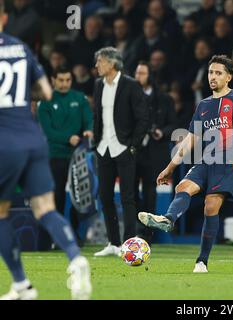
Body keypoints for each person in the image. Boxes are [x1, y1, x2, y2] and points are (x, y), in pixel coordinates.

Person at [138, 55, 233, 272]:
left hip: (231, 163)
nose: (213, 77)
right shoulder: (203, 106)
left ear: (228, 77)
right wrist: (170, 167)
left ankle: (202, 261)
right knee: (183, 187)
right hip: (206, 161)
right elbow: (190, 140)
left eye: (218, 73)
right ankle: (168, 220)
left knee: (211, 205)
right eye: (210, 72)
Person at [0, 1, 91, 300]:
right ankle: (76, 260)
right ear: (4, 18)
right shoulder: (21, 48)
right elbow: (46, 92)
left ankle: (21, 283)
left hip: (6, 142)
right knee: (45, 208)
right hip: (33, 137)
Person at [92, 47, 149, 257]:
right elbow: (97, 115)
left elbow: (143, 118)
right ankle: (113, 243)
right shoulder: (98, 85)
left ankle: (129, 245)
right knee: (105, 196)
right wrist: (95, 142)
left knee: (127, 197)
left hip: (124, 148)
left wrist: (133, 145)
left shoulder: (131, 85)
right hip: (103, 148)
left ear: (112, 63)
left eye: (100, 61)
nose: (97, 65)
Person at [37, 66, 93, 246]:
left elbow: (89, 120)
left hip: (78, 155)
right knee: (57, 197)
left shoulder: (79, 98)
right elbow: (48, 132)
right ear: (53, 80)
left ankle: (75, 234)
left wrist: (89, 131)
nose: (64, 84)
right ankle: (55, 237)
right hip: (55, 156)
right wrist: (68, 138)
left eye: (67, 80)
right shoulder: (45, 102)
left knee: (80, 197)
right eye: (60, 80)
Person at [134, 61, 177, 243]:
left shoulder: (164, 99)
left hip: (154, 151)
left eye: (142, 73)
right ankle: (134, 231)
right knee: (132, 192)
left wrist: (162, 132)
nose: (138, 77)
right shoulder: (129, 96)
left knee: (151, 192)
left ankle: (148, 234)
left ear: (150, 75)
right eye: (137, 73)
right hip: (134, 150)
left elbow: (173, 124)